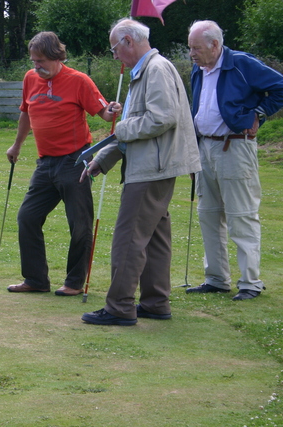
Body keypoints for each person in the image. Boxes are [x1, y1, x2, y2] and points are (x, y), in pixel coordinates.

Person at [80, 19, 201, 325]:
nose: (115, 56)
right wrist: (103, 159)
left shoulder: (156, 69)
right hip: (154, 166)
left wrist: (122, 126)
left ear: (128, 42)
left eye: (114, 49)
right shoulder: (148, 70)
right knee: (156, 238)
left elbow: (161, 118)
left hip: (150, 169)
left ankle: (119, 306)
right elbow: (134, 132)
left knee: (129, 236)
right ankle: (155, 302)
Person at [186, 20, 283, 301]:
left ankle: (250, 283)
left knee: (241, 216)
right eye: (190, 48)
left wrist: (259, 113)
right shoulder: (198, 69)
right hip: (205, 148)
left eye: (196, 48)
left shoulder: (243, 64)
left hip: (234, 146)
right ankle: (216, 279)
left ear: (215, 45)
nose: (191, 54)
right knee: (208, 215)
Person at [5, 31, 117, 297]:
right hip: (44, 164)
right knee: (27, 217)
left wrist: (111, 110)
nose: (36, 66)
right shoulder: (30, 78)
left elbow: (102, 113)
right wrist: (17, 145)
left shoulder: (79, 81)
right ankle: (35, 279)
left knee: (79, 224)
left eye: (41, 60)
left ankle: (75, 283)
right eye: (33, 61)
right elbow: (25, 113)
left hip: (75, 161)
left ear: (57, 56)